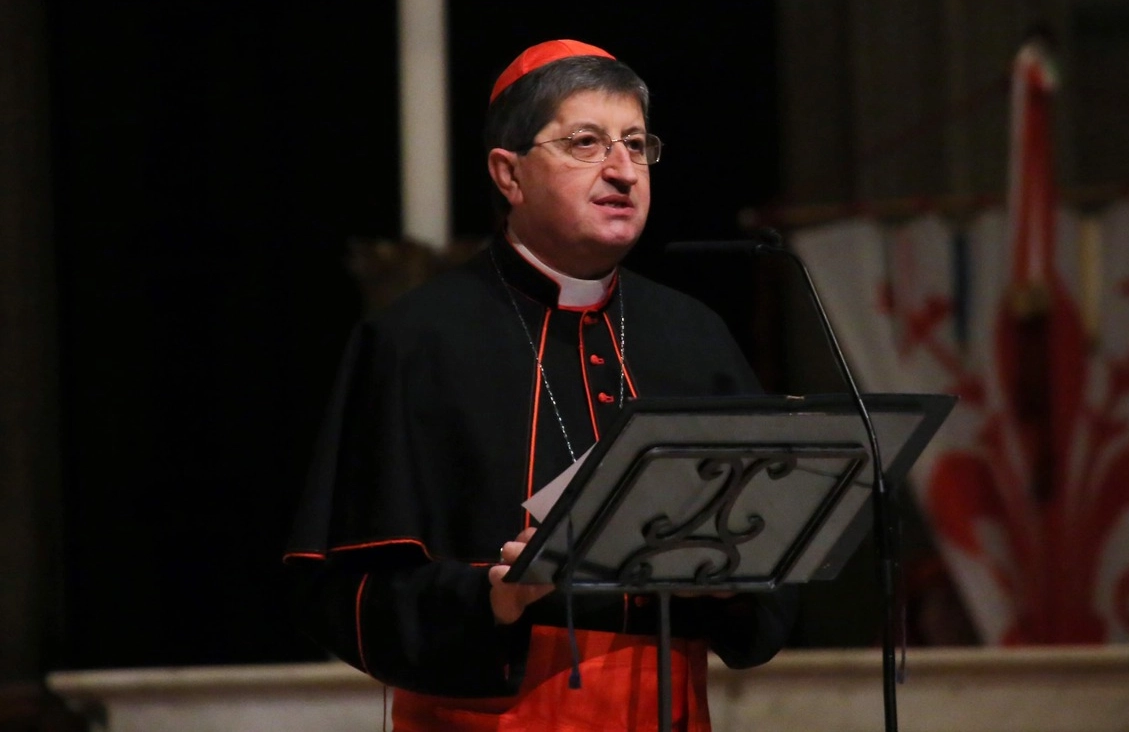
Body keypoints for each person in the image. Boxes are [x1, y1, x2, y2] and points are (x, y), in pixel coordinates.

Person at [282, 39, 797, 732]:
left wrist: (738, 582)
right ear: (509, 173)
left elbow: (769, 557)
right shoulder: (416, 340)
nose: (622, 171)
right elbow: (345, 587)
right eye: (586, 143)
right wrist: (491, 600)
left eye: (637, 145)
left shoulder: (693, 333)